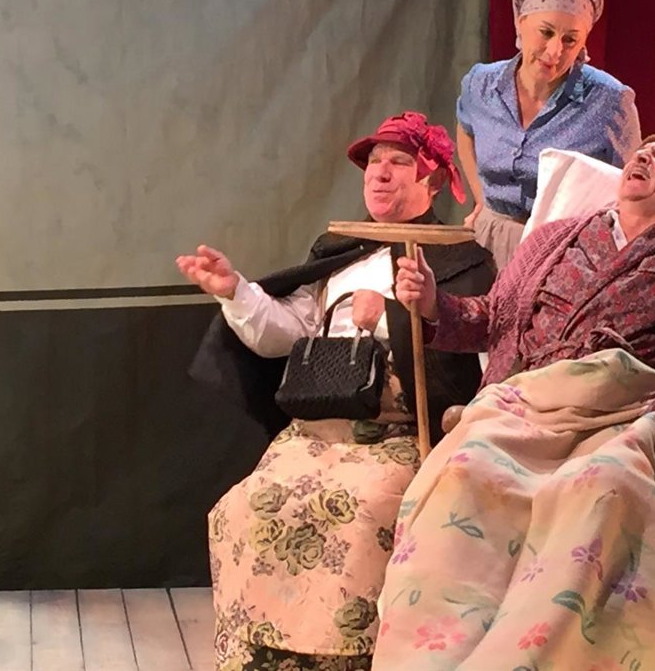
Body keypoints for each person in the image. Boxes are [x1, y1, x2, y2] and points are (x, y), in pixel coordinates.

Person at [373, 133, 655, 670]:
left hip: (627, 416)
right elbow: (494, 320)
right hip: (529, 408)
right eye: (642, 150)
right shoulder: (553, 241)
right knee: (465, 468)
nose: (643, 156)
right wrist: (434, 304)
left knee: (607, 486)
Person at [180, 112, 494, 671]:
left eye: (399, 163)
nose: (380, 173)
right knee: (243, 509)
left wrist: (390, 317)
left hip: (398, 433)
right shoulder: (341, 249)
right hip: (319, 428)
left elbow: (467, 358)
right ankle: (266, 659)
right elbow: (286, 334)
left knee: (360, 513)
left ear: (431, 180)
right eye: (373, 163)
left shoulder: (460, 258)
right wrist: (236, 292)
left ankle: (345, 661)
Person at [457, 0, 641, 270]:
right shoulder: (481, 84)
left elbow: (629, 189)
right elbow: (465, 130)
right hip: (487, 241)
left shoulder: (608, 100)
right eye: (546, 32)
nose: (555, 51)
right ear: (521, 23)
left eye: (570, 40)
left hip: (562, 254)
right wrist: (482, 199)